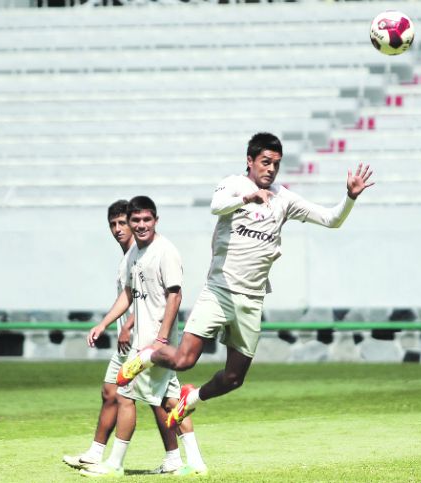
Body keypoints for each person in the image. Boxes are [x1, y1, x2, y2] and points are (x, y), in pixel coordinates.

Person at [113, 132, 374, 430]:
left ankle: (192, 398)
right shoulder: (234, 185)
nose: (271, 168)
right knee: (185, 360)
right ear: (250, 161)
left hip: (251, 299)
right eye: (265, 162)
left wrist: (350, 197)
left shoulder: (284, 198)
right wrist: (247, 197)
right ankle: (146, 356)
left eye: (276, 163)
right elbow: (216, 205)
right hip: (219, 291)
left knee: (234, 379)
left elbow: (331, 219)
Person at [82, 196, 207, 478]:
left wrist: (161, 339)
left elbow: (175, 295)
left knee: (127, 395)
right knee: (168, 401)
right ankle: (191, 462)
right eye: (135, 220)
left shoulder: (165, 251)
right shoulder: (134, 254)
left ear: (156, 220)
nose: (140, 225)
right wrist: (103, 324)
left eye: (146, 220)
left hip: (155, 345)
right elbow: (128, 294)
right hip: (143, 342)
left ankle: (113, 464)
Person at [62, 199, 136, 470]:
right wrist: (105, 325)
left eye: (122, 223)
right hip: (125, 342)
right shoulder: (126, 257)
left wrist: (128, 327)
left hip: (142, 339)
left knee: (158, 401)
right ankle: (94, 453)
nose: (118, 229)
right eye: (113, 224)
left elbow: (151, 297)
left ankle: (176, 458)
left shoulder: (140, 254)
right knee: (109, 392)